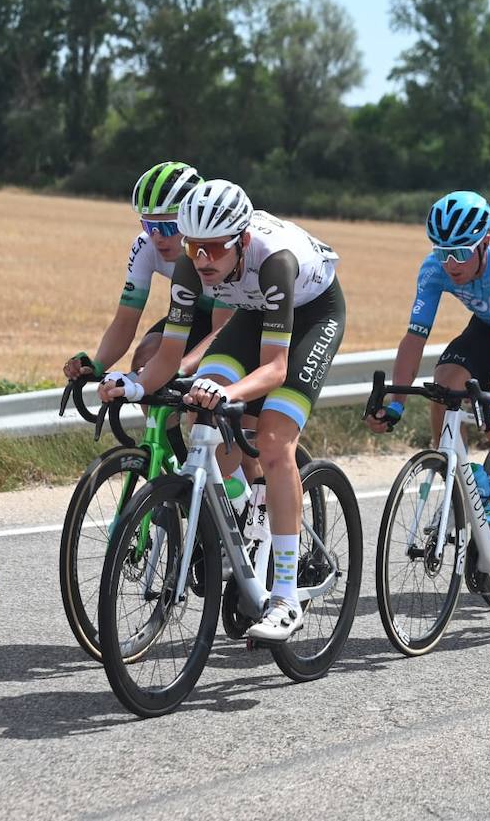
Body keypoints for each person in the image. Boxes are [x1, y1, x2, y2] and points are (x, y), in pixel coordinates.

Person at [100, 179, 346, 641]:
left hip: (313, 314)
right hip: (252, 311)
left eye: (215, 249)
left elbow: (275, 368)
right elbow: (169, 359)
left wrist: (229, 395)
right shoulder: (192, 269)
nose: (203, 260)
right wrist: (131, 384)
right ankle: (247, 511)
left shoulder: (274, 260)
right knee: (199, 413)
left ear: (242, 241)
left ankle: (287, 596)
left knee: (273, 442)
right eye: (195, 248)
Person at [367, 190, 490, 593]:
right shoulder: (435, 268)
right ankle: (461, 466)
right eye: (442, 252)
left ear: (485, 243)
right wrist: (397, 403)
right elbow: (413, 338)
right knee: (445, 383)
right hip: (487, 331)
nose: (450, 263)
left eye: (460, 252)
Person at [63, 162, 230, 384]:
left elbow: (222, 330)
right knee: (147, 357)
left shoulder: (219, 249)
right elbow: (125, 322)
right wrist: (97, 365)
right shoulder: (145, 247)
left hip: (243, 317)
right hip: (199, 311)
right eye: (149, 226)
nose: (157, 237)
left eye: (169, 227)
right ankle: (155, 421)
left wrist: (179, 368)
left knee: (210, 376)